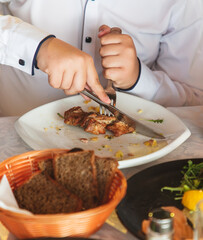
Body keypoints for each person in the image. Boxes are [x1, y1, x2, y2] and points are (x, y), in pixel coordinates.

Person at [0, 0, 202, 116]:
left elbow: (194, 105)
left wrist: (138, 79)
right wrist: (37, 47)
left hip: (133, 157)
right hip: (14, 142)